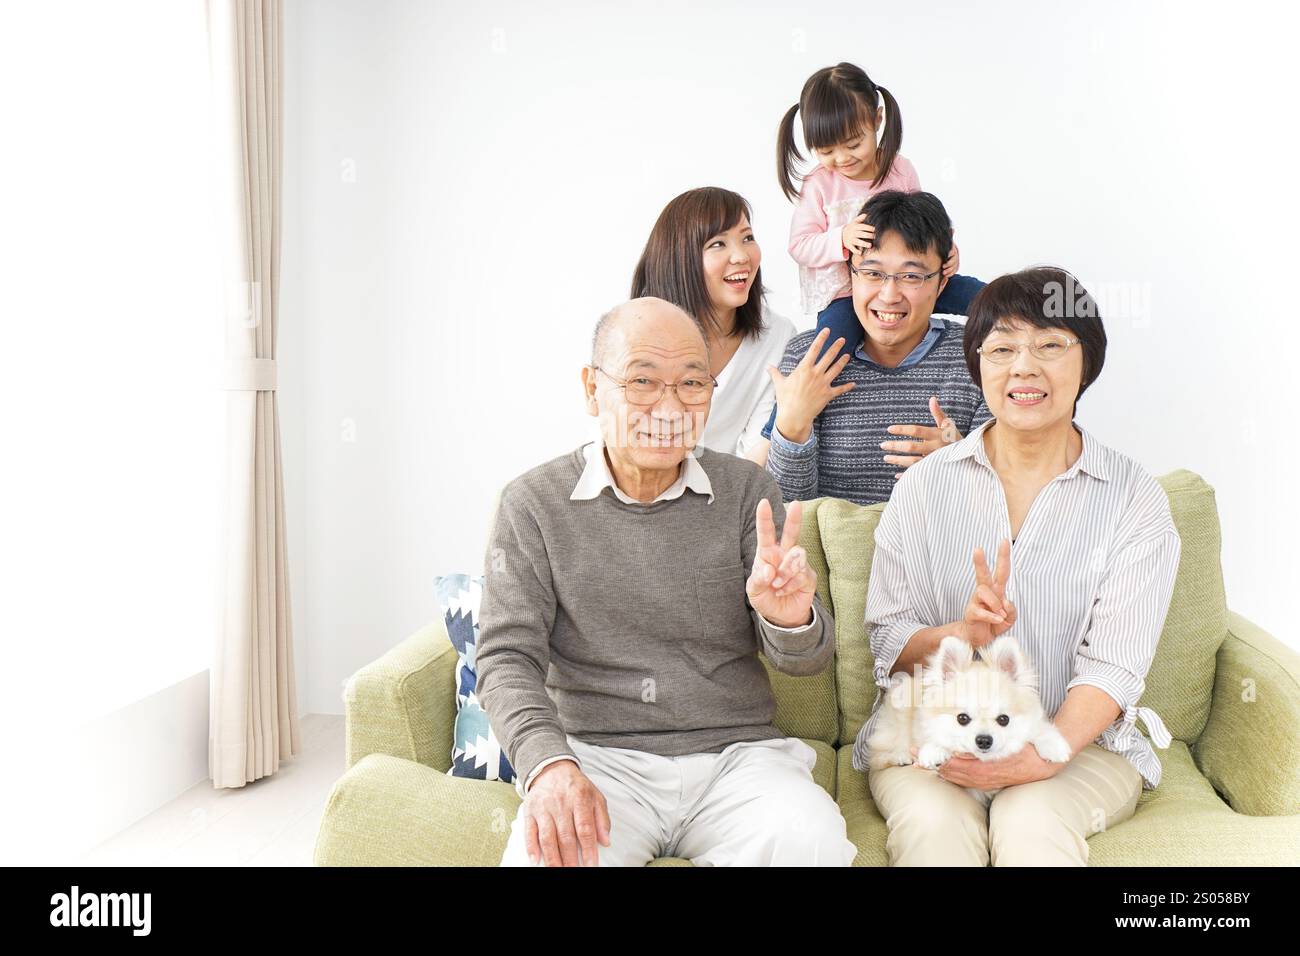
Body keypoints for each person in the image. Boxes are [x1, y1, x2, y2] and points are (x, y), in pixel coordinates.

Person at [475, 296, 857, 867]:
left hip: (738, 760)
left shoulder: (747, 493)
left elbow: (804, 661)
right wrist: (549, 766)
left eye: (692, 384)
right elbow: (505, 658)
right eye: (643, 382)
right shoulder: (533, 503)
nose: (670, 406)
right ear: (591, 388)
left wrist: (788, 618)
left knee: (813, 841)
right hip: (598, 760)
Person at [853, 267, 1181, 866]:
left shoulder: (1133, 497)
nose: (1024, 367)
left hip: (1078, 745)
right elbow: (889, 642)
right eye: (1001, 348)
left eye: (1050, 345)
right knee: (933, 828)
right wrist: (963, 634)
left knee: (1030, 820)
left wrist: (1037, 757)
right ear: (979, 367)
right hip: (933, 739)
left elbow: (1113, 666)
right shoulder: (924, 487)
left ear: (1088, 363)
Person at [759, 61, 986, 444]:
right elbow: (799, 246)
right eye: (826, 150)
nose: (842, 158)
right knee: (826, 355)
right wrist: (840, 238)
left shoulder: (900, 170)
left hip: (912, 281)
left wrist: (948, 249)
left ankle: (1030, 322)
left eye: (853, 144)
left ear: (878, 119)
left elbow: (925, 224)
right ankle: (772, 432)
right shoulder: (819, 185)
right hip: (848, 293)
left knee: (982, 297)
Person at [766, 189, 991, 505]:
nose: (889, 294)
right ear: (851, 275)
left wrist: (964, 462)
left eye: (911, 276)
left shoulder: (983, 360)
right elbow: (784, 514)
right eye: (872, 273)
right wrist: (791, 428)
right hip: (828, 554)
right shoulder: (811, 359)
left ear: (941, 282)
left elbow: (1002, 505)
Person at [631, 186, 794, 466]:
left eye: (747, 238)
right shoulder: (637, 334)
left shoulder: (777, 336)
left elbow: (756, 455)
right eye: (718, 243)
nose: (742, 256)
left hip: (730, 498)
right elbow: (627, 447)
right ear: (680, 258)